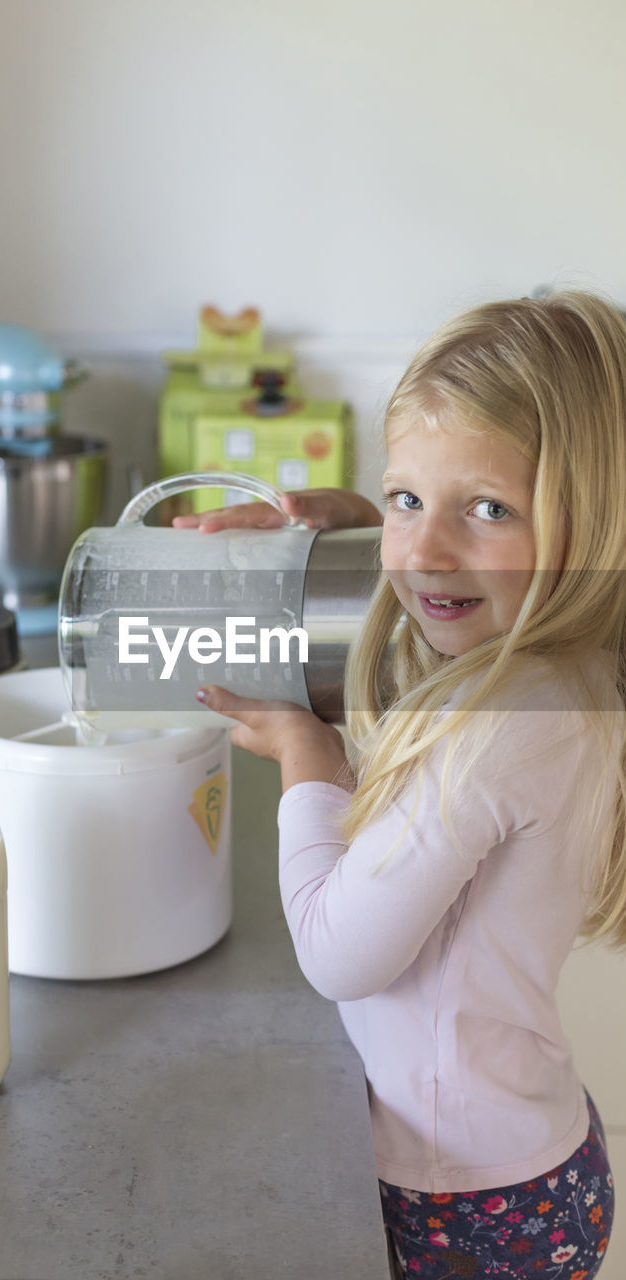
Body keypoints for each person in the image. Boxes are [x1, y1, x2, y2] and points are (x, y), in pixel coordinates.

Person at [190, 292, 626, 1278]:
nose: (426, 550)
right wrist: (368, 529)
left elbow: (340, 953)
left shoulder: (496, 726)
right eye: (405, 496)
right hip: (520, 1156)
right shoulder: (564, 664)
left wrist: (309, 759)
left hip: (466, 1200)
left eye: (487, 508)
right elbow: (435, 627)